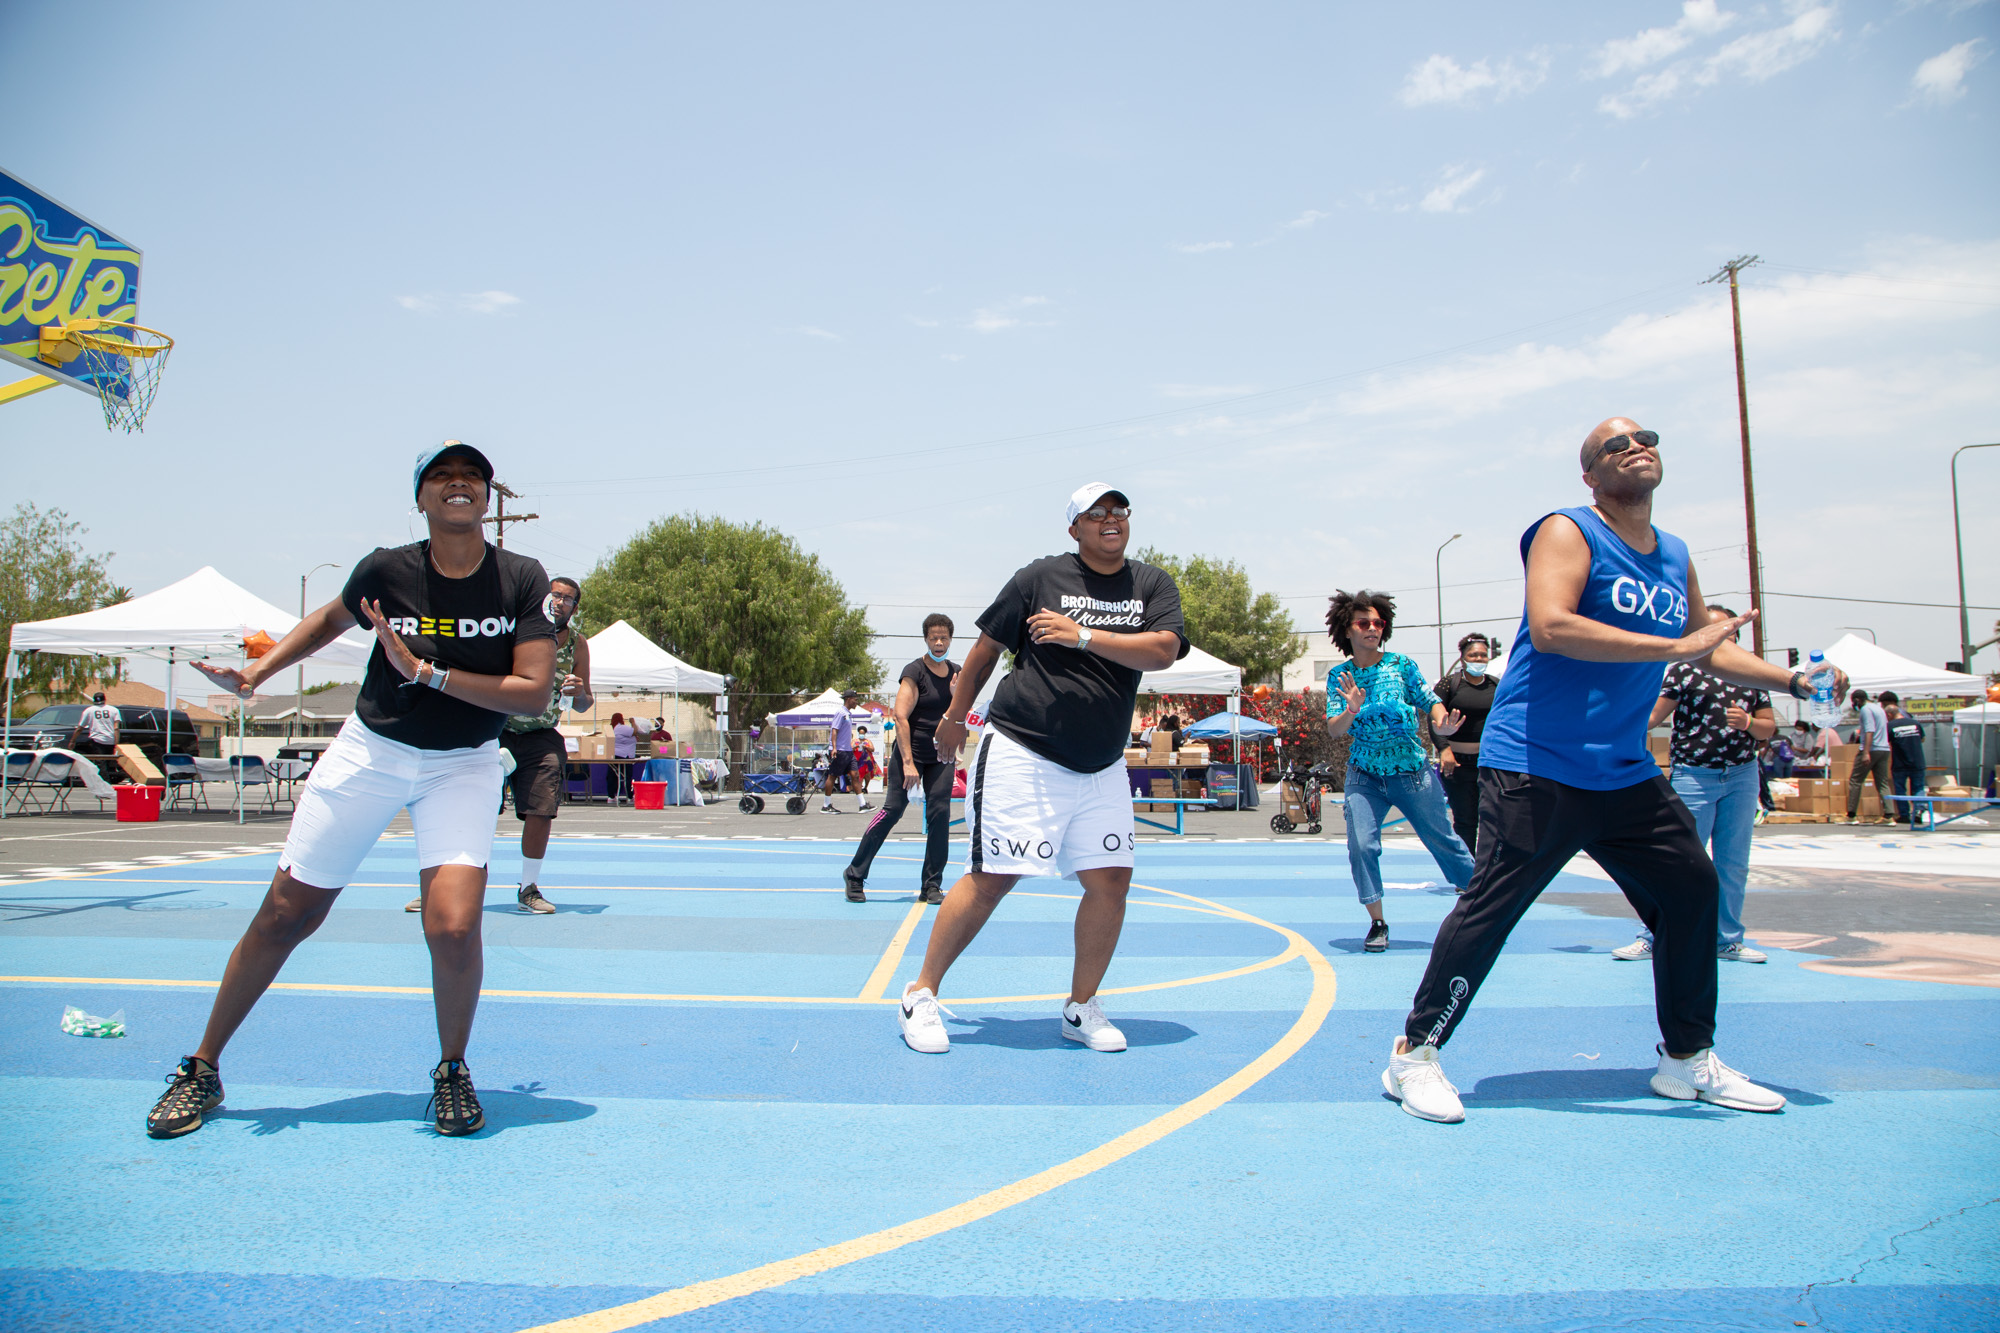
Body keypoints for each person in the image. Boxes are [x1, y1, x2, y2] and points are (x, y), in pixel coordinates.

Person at [1384, 417, 1846, 1125]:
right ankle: (1415, 1055)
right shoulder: (1568, 530)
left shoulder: (1675, 553)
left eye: (1645, 437)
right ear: (1591, 475)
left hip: (1623, 770)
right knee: (1492, 908)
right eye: (1615, 444)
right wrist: (1675, 645)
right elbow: (1552, 627)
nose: (1636, 447)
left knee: (1691, 889)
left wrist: (1792, 680)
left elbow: (1704, 646)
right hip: (1537, 763)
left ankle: (1687, 1058)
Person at [149, 440, 556, 1140]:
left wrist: (425, 672)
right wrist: (258, 673)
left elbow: (533, 690)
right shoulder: (386, 569)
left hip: (462, 762)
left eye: (472, 476)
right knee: (286, 913)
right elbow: (328, 620)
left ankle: (452, 1069)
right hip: (373, 751)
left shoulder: (520, 577)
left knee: (454, 926)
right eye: (441, 476)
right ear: (420, 497)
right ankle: (203, 1067)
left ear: (487, 497)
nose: (458, 484)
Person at [896, 482, 1186, 1055]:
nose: (1110, 520)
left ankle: (1080, 1007)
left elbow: (1163, 650)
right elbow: (984, 653)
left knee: (1111, 881)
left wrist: (1083, 636)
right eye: (1095, 513)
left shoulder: (1151, 583)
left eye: (1119, 511)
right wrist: (954, 718)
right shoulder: (1039, 577)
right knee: (993, 877)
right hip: (1024, 750)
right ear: (1074, 528)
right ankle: (920, 994)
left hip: (1102, 763)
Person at [1610, 608, 1775, 966]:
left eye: (1723, 628)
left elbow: (1768, 727)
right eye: (1706, 627)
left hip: (1742, 774)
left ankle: (1726, 940)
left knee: (1733, 863)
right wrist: (1616, 713)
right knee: (1677, 860)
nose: (1715, 633)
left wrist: (1749, 722)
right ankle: (1654, 936)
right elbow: (1654, 716)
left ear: (1735, 634)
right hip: (1694, 775)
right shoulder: (1684, 669)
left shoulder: (1752, 674)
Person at [1324, 591, 1476, 952]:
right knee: (1361, 845)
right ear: (1347, 629)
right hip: (1365, 774)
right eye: (1364, 623)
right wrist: (1352, 709)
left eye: (1378, 623)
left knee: (1443, 839)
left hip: (1411, 771)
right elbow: (1334, 729)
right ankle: (1377, 922)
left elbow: (1429, 699)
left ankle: (1485, 904)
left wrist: (1443, 723)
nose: (1372, 628)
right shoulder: (1339, 676)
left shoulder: (1400, 665)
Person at [487, 576, 594, 913]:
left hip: (541, 734)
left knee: (541, 809)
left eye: (567, 598)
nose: (559, 602)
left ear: (575, 607)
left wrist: (579, 693)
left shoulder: (577, 644)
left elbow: (585, 704)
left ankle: (528, 888)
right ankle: (446, 883)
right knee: (475, 808)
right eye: (554, 595)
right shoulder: (513, 631)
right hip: (496, 729)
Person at [845, 614, 961, 904]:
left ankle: (931, 885)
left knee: (940, 815)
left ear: (950, 639)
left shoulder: (956, 673)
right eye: (933, 637)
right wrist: (908, 762)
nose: (938, 642)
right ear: (926, 639)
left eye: (944, 637)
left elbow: (962, 716)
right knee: (893, 810)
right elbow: (900, 717)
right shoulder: (914, 671)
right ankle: (855, 874)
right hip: (911, 752)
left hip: (941, 756)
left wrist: (957, 697)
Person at [1432, 633, 1500, 856]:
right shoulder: (1449, 684)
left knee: (1493, 819)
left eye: (1482, 655)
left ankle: (1489, 868)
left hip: (1488, 764)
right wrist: (1444, 749)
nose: (1478, 659)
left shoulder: (1495, 685)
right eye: (1473, 655)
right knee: (1465, 821)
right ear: (1462, 658)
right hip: (1457, 765)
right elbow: (1434, 720)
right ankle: (1466, 869)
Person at [1846, 689, 1894, 825]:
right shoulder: (1879, 709)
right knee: (1882, 782)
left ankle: (1851, 815)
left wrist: (1865, 752)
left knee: (1855, 780)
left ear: (1857, 700)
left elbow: (1869, 731)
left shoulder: (1866, 709)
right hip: (1884, 749)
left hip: (1871, 749)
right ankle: (1889, 815)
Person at [821, 689, 872, 813]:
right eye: (855, 699)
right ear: (848, 699)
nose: (856, 702)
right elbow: (834, 730)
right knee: (833, 776)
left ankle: (862, 805)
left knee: (855, 775)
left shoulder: (848, 714)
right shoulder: (841, 713)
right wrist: (834, 748)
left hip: (848, 751)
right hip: (840, 750)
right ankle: (826, 805)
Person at [1882, 692, 1928, 827]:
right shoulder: (1915, 723)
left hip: (1900, 763)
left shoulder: (1891, 726)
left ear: (1889, 715)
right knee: (1918, 787)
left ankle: (1904, 815)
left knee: (1900, 789)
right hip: (1918, 761)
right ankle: (1919, 811)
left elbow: (1886, 742)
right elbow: (1923, 739)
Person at [69, 691, 121, 776]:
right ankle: (109, 780)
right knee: (109, 762)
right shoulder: (114, 710)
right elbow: (116, 728)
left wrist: (73, 741)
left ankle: (104, 781)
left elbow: (80, 728)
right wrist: (116, 744)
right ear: (105, 699)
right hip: (111, 740)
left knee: (100, 763)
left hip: (97, 740)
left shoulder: (89, 710)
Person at [610, 711, 637, 801]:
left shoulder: (614, 728)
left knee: (613, 776)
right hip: (625, 755)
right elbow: (634, 731)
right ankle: (629, 796)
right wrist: (633, 722)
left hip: (616, 755)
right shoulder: (621, 727)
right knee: (627, 776)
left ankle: (611, 796)